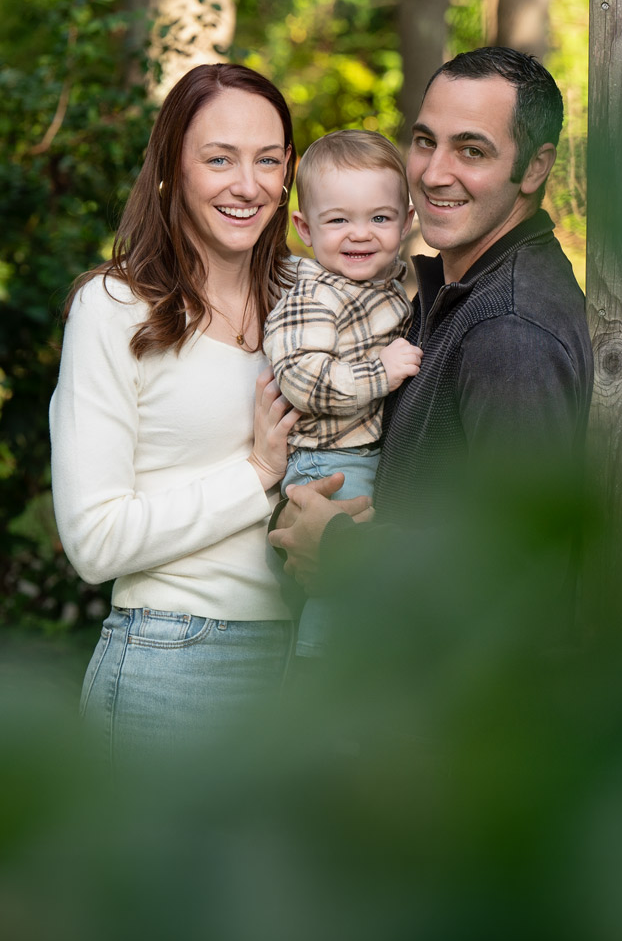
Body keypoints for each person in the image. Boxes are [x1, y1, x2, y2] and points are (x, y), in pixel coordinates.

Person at [269, 47, 594, 598]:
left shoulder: (510, 330)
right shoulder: (445, 294)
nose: (434, 173)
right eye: (425, 141)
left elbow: (518, 562)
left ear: (535, 167)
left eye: (471, 149)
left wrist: (339, 548)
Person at [49, 63, 300, 762]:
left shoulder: (310, 300)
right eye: (218, 159)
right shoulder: (114, 309)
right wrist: (256, 474)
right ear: (172, 169)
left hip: (306, 669)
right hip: (172, 666)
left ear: (290, 174)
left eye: (267, 160)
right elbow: (94, 542)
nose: (247, 185)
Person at [263, 130, 421, 655]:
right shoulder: (314, 296)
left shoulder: (386, 285)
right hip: (329, 462)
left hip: (361, 452)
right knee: (339, 580)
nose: (361, 234)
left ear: (407, 221)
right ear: (305, 228)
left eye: (380, 218)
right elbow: (301, 378)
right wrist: (380, 371)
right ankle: (319, 678)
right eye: (339, 220)